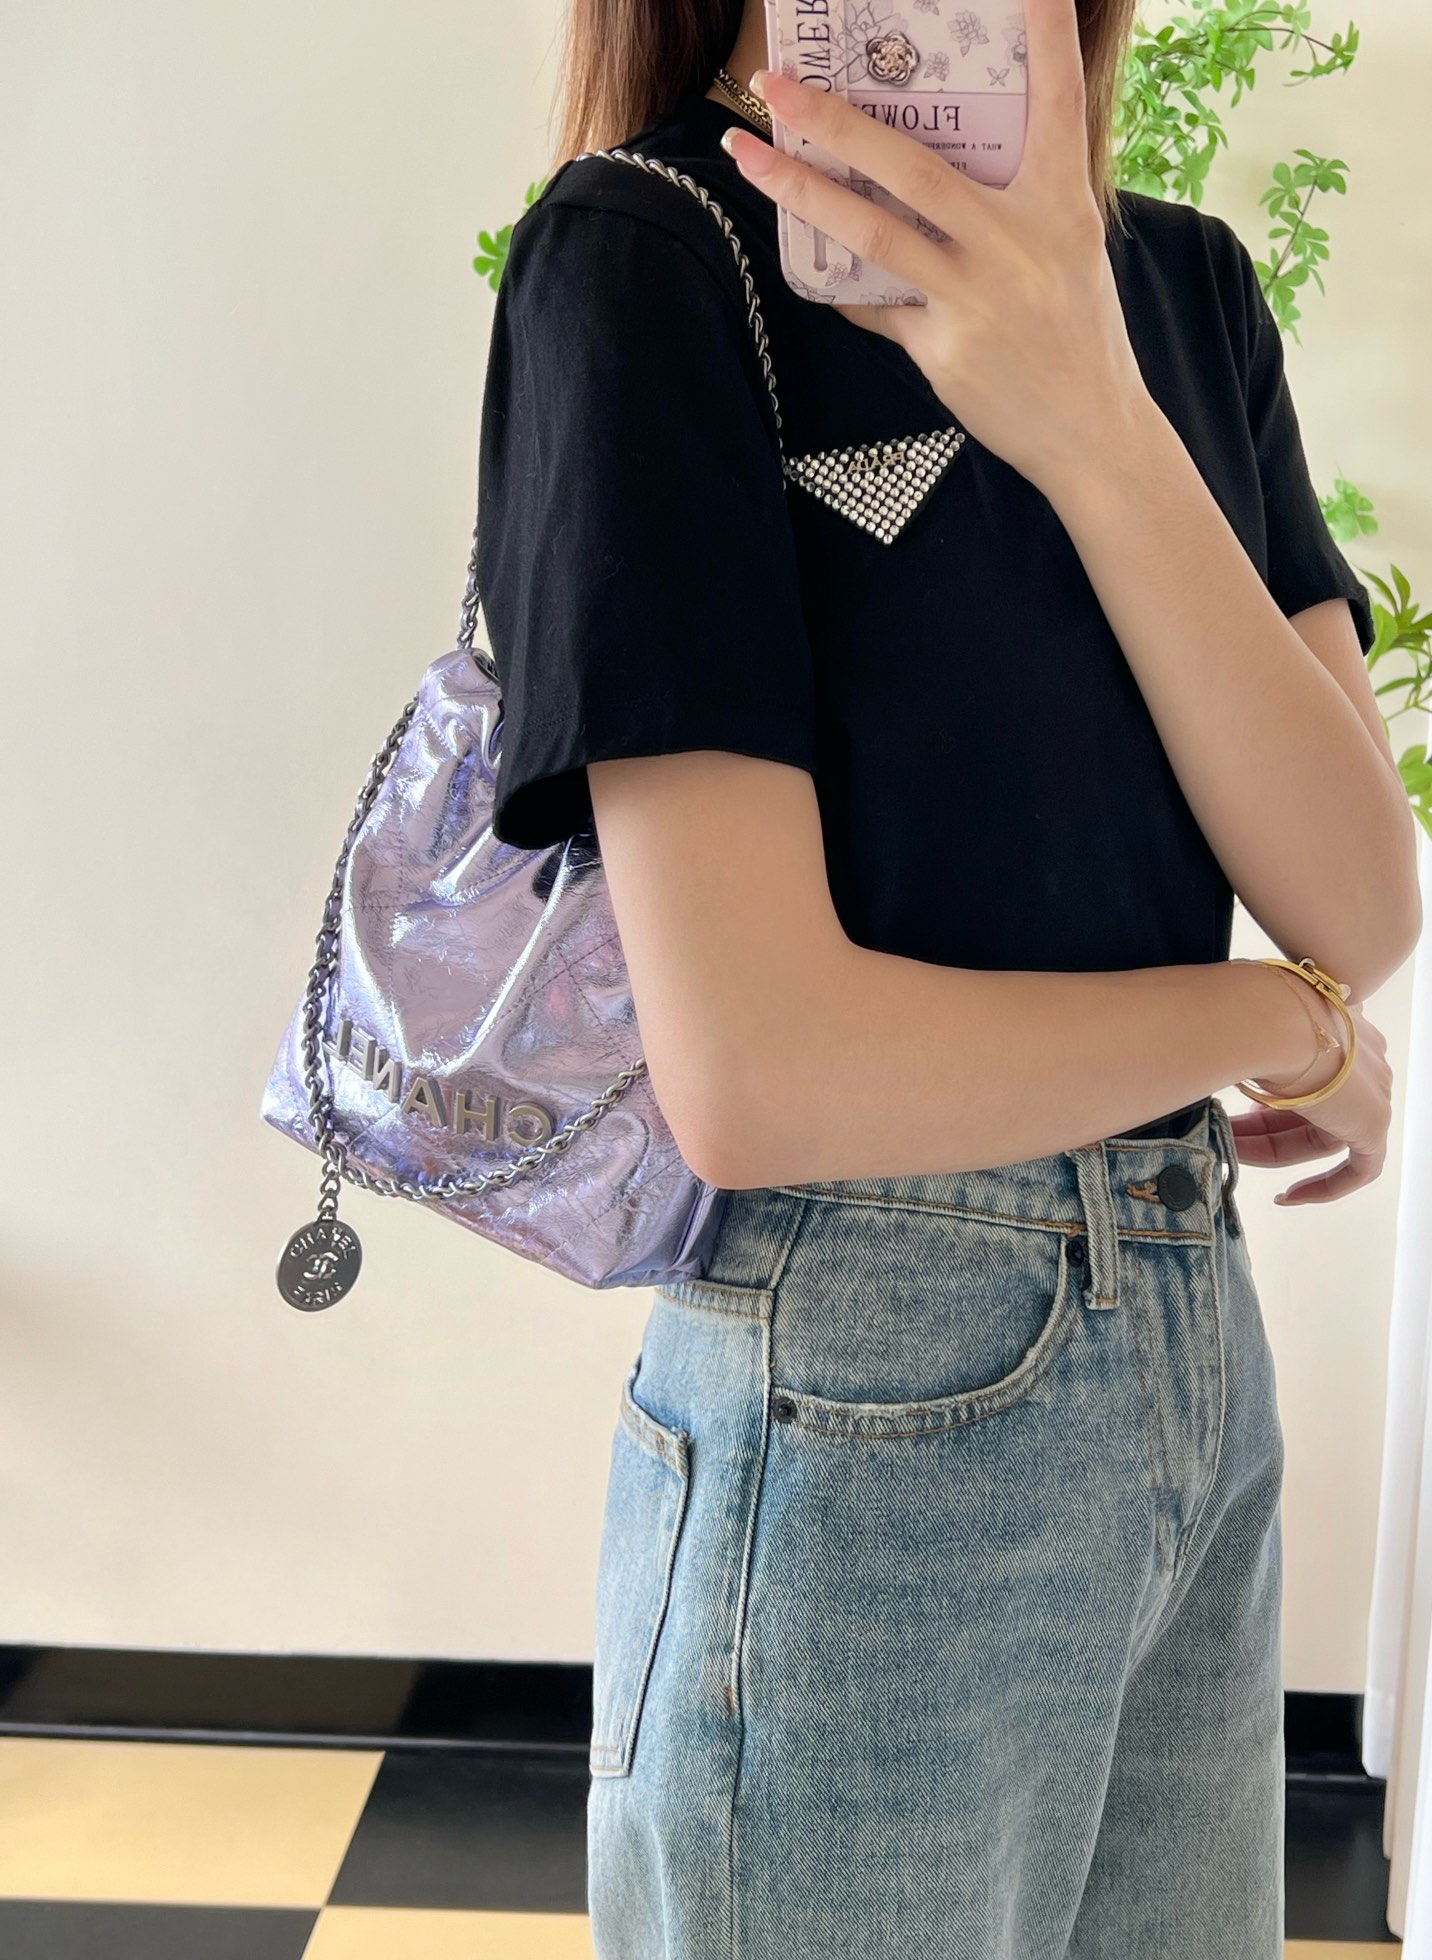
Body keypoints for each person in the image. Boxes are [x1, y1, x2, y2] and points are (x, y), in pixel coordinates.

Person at [474, 0, 1420, 1952]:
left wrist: (1087, 412)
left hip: (1187, 1339)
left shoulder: (1179, 288)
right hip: (863, 1364)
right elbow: (762, 1069)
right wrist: (1269, 1021)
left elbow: (1357, 894)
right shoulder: (651, 252)